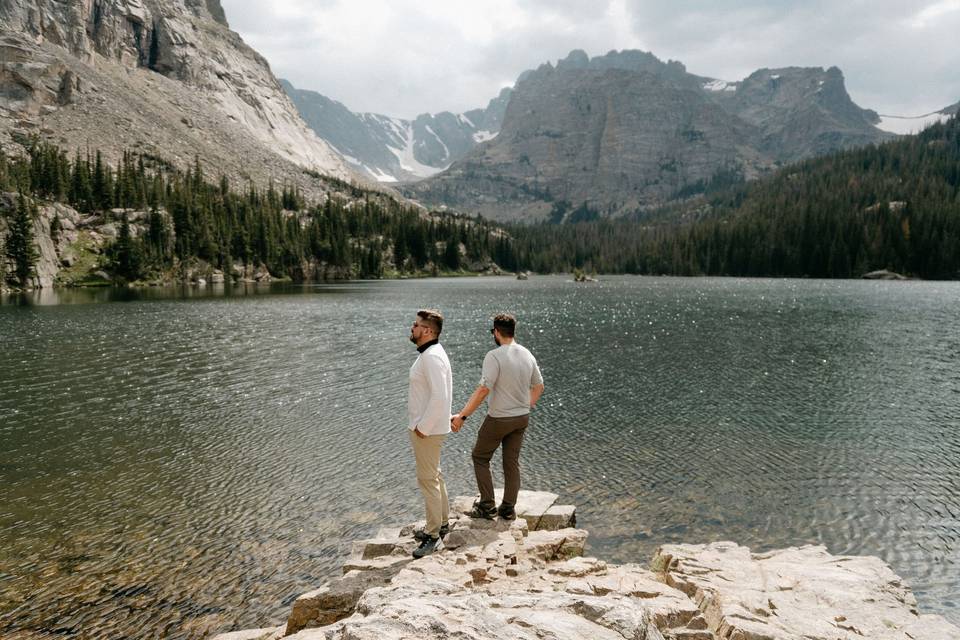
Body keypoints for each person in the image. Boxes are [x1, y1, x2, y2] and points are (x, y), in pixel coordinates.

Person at [451, 313, 544, 520]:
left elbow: (483, 390)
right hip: (521, 418)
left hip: (499, 419)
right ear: (513, 331)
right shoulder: (527, 354)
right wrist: (526, 404)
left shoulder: (494, 356)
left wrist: (462, 416)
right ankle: (508, 508)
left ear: (496, 332)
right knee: (511, 462)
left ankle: (487, 506)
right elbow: (539, 386)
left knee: (480, 457)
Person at [407, 309, 453, 558]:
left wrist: (422, 427)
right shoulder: (431, 353)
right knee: (435, 476)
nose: (412, 328)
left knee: (427, 480)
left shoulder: (432, 357)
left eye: (415, 325)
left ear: (427, 331)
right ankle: (443, 523)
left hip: (428, 430)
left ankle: (433, 535)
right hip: (430, 428)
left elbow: (440, 396)